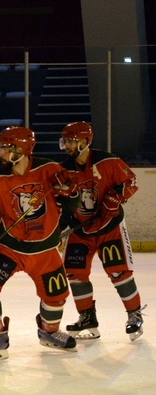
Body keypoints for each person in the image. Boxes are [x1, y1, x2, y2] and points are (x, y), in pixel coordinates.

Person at [0, 126, 80, 360]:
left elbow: (72, 205)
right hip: (9, 248)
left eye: (5, 149)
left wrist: (70, 192)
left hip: (45, 250)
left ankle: (49, 332)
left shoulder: (49, 170)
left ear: (21, 150)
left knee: (56, 296)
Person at [58, 121, 144, 341]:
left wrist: (116, 197)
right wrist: (58, 228)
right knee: (75, 274)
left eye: (72, 140)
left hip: (109, 228)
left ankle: (134, 315)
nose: (68, 145)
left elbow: (131, 181)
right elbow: (61, 205)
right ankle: (87, 317)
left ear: (86, 141)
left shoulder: (108, 161)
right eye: (66, 140)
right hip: (80, 230)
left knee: (119, 272)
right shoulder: (63, 171)